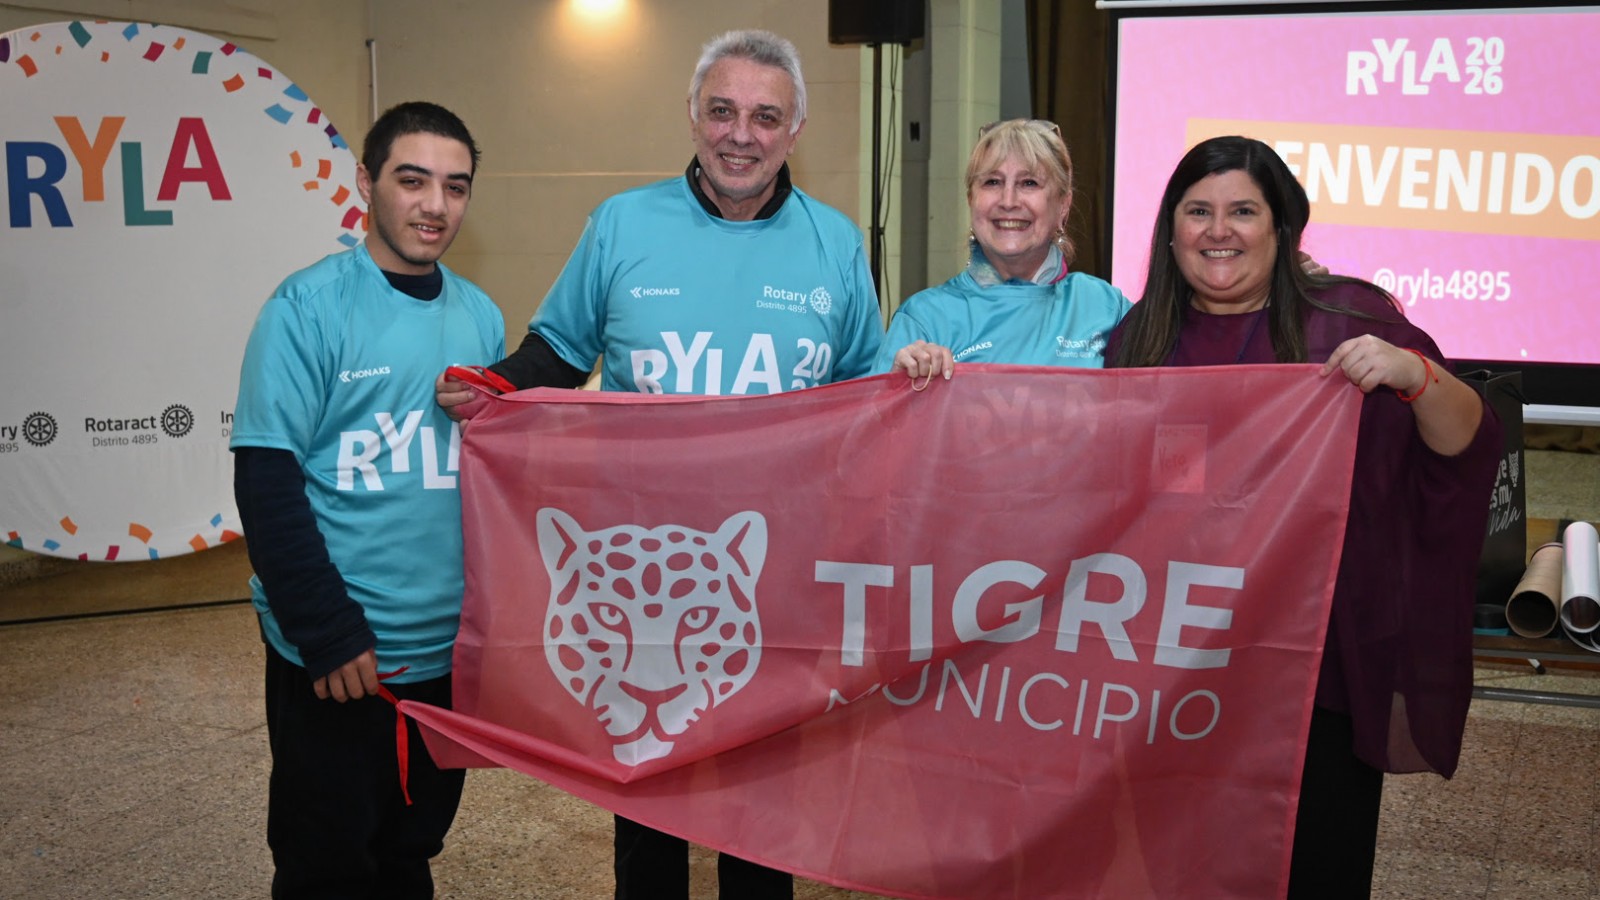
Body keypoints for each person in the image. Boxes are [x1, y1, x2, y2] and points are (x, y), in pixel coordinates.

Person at [436, 29, 883, 900]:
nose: (740, 135)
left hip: (773, 578)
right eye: (722, 111)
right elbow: (558, 351)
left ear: (796, 130)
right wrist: (493, 388)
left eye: (765, 116)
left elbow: (868, 398)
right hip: (638, 572)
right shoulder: (623, 223)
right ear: (692, 116)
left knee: (764, 802)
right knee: (646, 796)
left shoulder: (834, 244)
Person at [1105, 135, 1499, 899]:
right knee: (1177, 867)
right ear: (1171, 230)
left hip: (1317, 671)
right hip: (1177, 668)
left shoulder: (1349, 321)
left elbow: (1468, 442)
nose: (1219, 230)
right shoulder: (1138, 343)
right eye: (1198, 211)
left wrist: (1414, 375)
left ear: (1281, 229)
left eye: (1243, 211)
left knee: (1315, 865)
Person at [231, 101, 504, 898]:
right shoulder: (306, 308)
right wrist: (327, 630)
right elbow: (267, 480)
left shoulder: (481, 316)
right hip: (340, 655)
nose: (435, 206)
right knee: (326, 861)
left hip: (443, 653)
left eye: (455, 187)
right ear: (365, 183)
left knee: (409, 847)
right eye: (412, 180)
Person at [874, 119, 1130, 379]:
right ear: (971, 200)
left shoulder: (1108, 309)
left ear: (1063, 205)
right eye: (992, 182)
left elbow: (1159, 406)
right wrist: (894, 388)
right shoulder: (924, 319)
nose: (1008, 201)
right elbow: (870, 418)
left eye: (1029, 183)